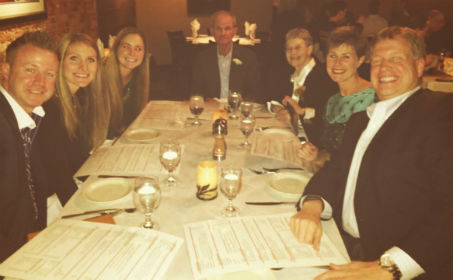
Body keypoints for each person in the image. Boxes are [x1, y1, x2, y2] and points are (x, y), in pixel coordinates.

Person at [290, 26, 452, 280]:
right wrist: (312, 205)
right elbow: (336, 171)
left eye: (396, 59)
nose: (384, 67)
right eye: (378, 60)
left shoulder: (439, 113)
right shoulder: (361, 120)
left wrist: (391, 266)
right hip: (345, 248)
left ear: (420, 66)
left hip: (403, 265)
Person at [0, 31, 75, 262]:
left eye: (49, 73)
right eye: (30, 69)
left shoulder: (35, 117)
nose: (40, 82)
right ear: (5, 69)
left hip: (34, 242)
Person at [297, 26, 375, 172]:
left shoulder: (373, 99)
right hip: (333, 173)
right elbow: (329, 151)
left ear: (359, 61)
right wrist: (315, 153)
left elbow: (362, 159)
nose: (337, 63)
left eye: (346, 57)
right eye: (332, 55)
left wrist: (319, 158)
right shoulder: (332, 102)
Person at [40, 33, 110, 175]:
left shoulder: (80, 97)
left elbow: (78, 156)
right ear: (59, 62)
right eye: (74, 59)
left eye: (90, 60)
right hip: (54, 193)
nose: (83, 67)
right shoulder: (49, 107)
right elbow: (57, 172)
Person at [279, 28, 337, 146]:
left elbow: (329, 115)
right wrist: (280, 109)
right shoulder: (288, 74)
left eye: (297, 48)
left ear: (309, 49)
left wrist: (303, 112)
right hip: (292, 137)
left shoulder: (323, 77)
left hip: (314, 143)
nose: (292, 52)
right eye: (289, 49)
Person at [190, 10, 261, 101]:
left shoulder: (249, 58)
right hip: (211, 111)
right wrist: (206, 100)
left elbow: (255, 92)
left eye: (227, 28)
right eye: (218, 29)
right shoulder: (202, 59)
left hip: (237, 111)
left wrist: (240, 102)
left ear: (234, 31)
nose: (223, 33)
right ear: (212, 31)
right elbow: (196, 92)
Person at [105, 27, 150, 138]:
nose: (132, 53)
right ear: (115, 49)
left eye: (138, 49)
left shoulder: (137, 80)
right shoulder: (101, 80)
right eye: (126, 46)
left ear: (144, 54)